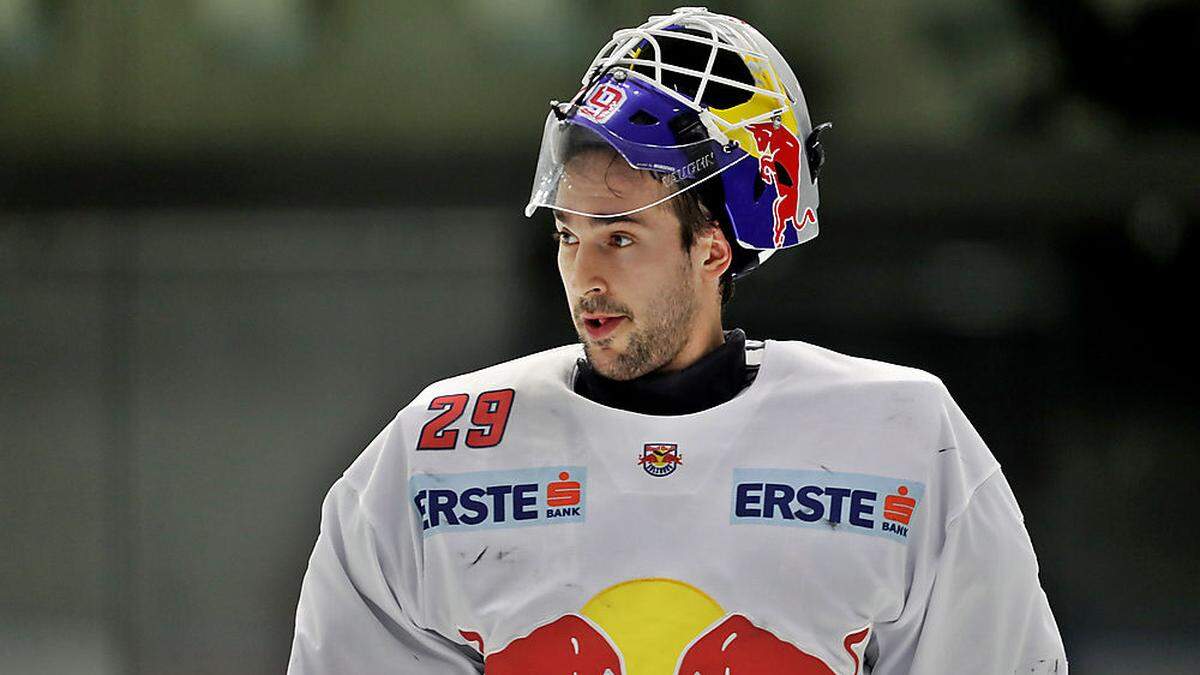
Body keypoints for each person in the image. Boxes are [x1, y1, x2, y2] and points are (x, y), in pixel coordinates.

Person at [288, 7, 1067, 674]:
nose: (584, 275)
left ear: (713, 250)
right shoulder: (437, 450)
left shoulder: (906, 438)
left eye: (621, 239)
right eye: (569, 235)